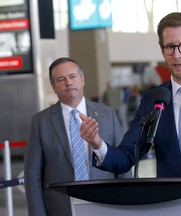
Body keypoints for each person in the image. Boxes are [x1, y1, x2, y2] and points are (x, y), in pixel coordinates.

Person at [80, 12, 181, 216]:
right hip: (171, 207)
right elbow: (127, 155)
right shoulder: (153, 99)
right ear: (162, 50)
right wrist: (98, 144)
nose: (177, 55)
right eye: (170, 47)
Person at [24, 57, 131, 216]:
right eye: (61, 79)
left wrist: (128, 207)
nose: (68, 82)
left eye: (73, 76)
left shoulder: (107, 115)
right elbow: (33, 176)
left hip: (106, 206)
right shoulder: (40, 123)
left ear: (82, 79)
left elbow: (123, 164)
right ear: (53, 87)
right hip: (61, 209)